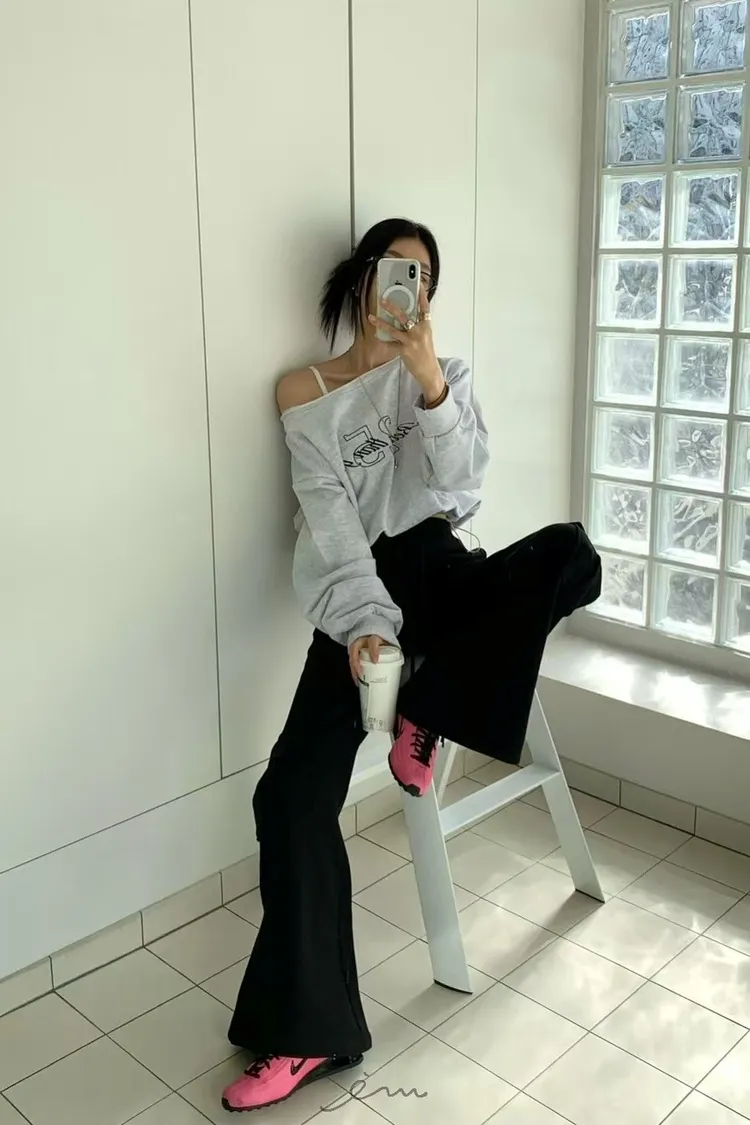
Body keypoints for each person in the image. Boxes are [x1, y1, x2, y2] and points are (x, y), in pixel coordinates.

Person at [221, 218, 601, 1113]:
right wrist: (365, 629)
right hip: (361, 598)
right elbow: (330, 522)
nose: (408, 288)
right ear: (364, 277)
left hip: (441, 572)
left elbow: (462, 492)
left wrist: (429, 385)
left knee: (571, 554)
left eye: (424, 278)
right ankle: (310, 1031)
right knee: (287, 797)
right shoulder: (303, 391)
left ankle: (429, 708)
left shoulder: (441, 375)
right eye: (397, 270)